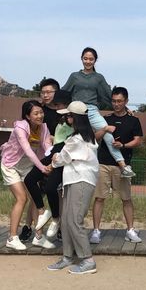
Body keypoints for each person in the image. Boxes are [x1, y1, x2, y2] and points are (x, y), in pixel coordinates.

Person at [63, 47, 135, 178]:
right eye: (85, 59)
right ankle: (65, 172)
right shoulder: (74, 76)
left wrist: (125, 108)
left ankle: (123, 166)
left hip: (91, 110)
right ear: (81, 59)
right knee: (74, 139)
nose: (88, 61)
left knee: (106, 132)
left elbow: (109, 95)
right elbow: (64, 92)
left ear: (95, 60)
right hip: (76, 110)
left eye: (91, 59)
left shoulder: (99, 78)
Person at [47, 101, 100, 275]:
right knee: (66, 219)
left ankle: (88, 260)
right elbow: (66, 158)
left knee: (75, 220)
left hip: (81, 180)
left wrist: (55, 156)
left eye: (68, 116)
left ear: (75, 117)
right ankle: (67, 256)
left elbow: (61, 158)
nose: (66, 118)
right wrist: (59, 157)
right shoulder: (82, 136)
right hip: (72, 179)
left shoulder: (77, 139)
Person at [91, 86, 144, 244]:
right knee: (99, 198)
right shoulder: (105, 119)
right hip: (103, 163)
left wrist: (124, 145)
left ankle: (130, 230)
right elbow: (95, 138)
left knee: (126, 199)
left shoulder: (134, 120)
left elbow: (138, 141)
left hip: (123, 166)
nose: (116, 104)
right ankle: (96, 231)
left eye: (119, 101)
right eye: (114, 101)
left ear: (126, 101)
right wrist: (104, 129)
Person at [0, 100, 53, 251]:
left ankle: (39, 237)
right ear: (28, 116)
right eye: (36, 113)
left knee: (36, 199)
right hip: (11, 165)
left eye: (41, 112)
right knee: (22, 198)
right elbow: (28, 150)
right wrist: (42, 168)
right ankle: (12, 238)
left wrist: (52, 161)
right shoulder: (20, 128)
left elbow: (47, 147)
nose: (40, 116)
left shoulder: (43, 127)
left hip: (28, 166)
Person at [24, 89, 74, 241]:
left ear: (66, 104)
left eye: (58, 105)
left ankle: (57, 220)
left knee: (53, 189)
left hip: (61, 155)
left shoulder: (73, 119)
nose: (56, 107)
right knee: (30, 180)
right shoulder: (61, 118)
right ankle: (42, 211)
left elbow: (69, 143)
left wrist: (53, 162)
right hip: (53, 152)